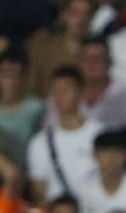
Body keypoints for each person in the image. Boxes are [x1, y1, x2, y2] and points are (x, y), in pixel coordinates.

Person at [26, 66, 100, 204]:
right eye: (56, 91)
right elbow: (39, 193)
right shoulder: (39, 143)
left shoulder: (99, 134)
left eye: (66, 90)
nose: (60, 96)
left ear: (80, 91)